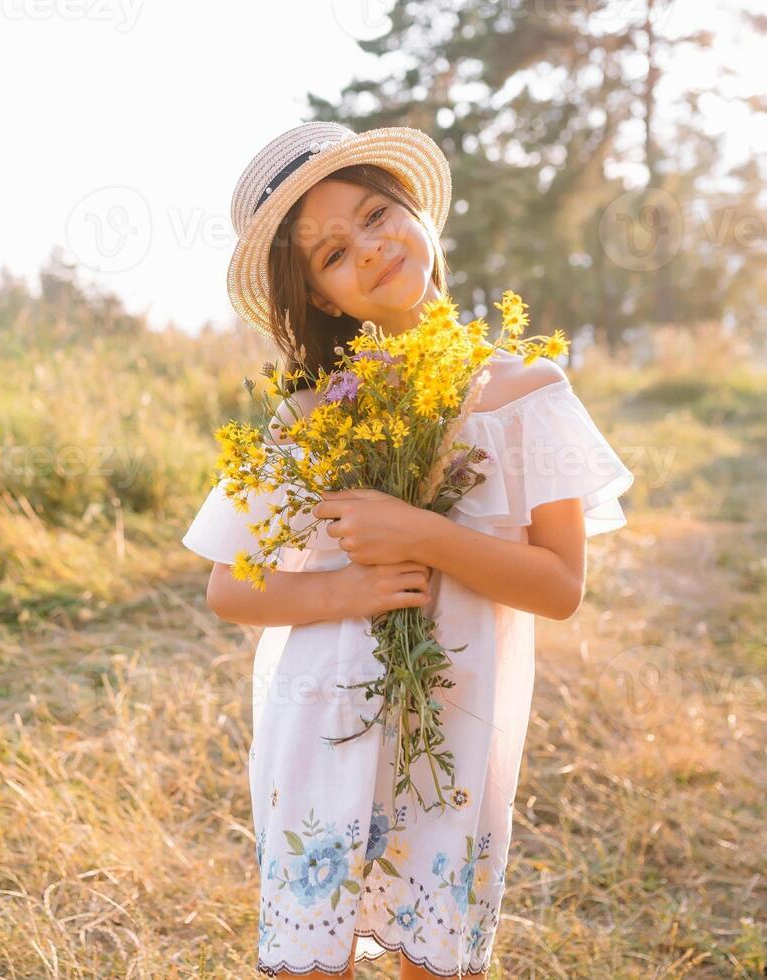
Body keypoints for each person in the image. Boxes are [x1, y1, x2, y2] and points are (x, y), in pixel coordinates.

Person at [181, 121, 636, 978]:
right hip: (323, 722)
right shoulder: (309, 417)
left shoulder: (528, 392)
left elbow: (560, 585)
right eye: (332, 253)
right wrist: (350, 592)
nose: (371, 248)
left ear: (418, 213)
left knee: (434, 956)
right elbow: (230, 589)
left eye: (377, 214)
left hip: (454, 732)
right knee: (317, 962)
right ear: (321, 297)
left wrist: (423, 534)